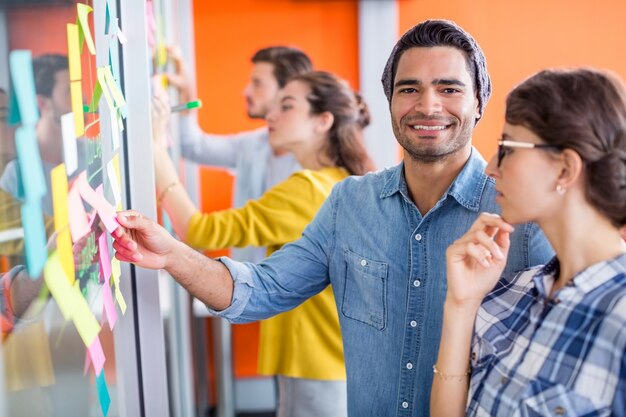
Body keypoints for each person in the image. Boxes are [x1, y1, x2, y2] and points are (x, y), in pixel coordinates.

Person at [112, 20, 554, 416]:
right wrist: (172, 255)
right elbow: (261, 289)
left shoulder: (520, 213)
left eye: (449, 88)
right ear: (390, 102)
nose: (428, 105)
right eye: (409, 88)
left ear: (479, 101)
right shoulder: (350, 203)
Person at [153, 71, 374, 417]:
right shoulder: (339, 182)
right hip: (331, 361)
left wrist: (154, 150)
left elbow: (198, 230)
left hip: (315, 365)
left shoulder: (308, 189)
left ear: (323, 121)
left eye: (287, 106)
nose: (271, 115)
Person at [431, 68, 626, 416]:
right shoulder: (509, 296)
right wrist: (461, 306)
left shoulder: (619, 321)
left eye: (506, 148)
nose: (490, 168)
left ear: (565, 169)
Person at [166, 46, 312, 263]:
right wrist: (187, 91)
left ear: (286, 91)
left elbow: (199, 232)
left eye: (257, 83)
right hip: (249, 285)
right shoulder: (255, 144)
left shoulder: (313, 174)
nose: (246, 91)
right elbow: (193, 146)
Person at [0, 54, 87, 216]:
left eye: (79, 89)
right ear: (41, 103)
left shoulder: (92, 156)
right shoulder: (16, 176)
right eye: (70, 92)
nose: (82, 98)